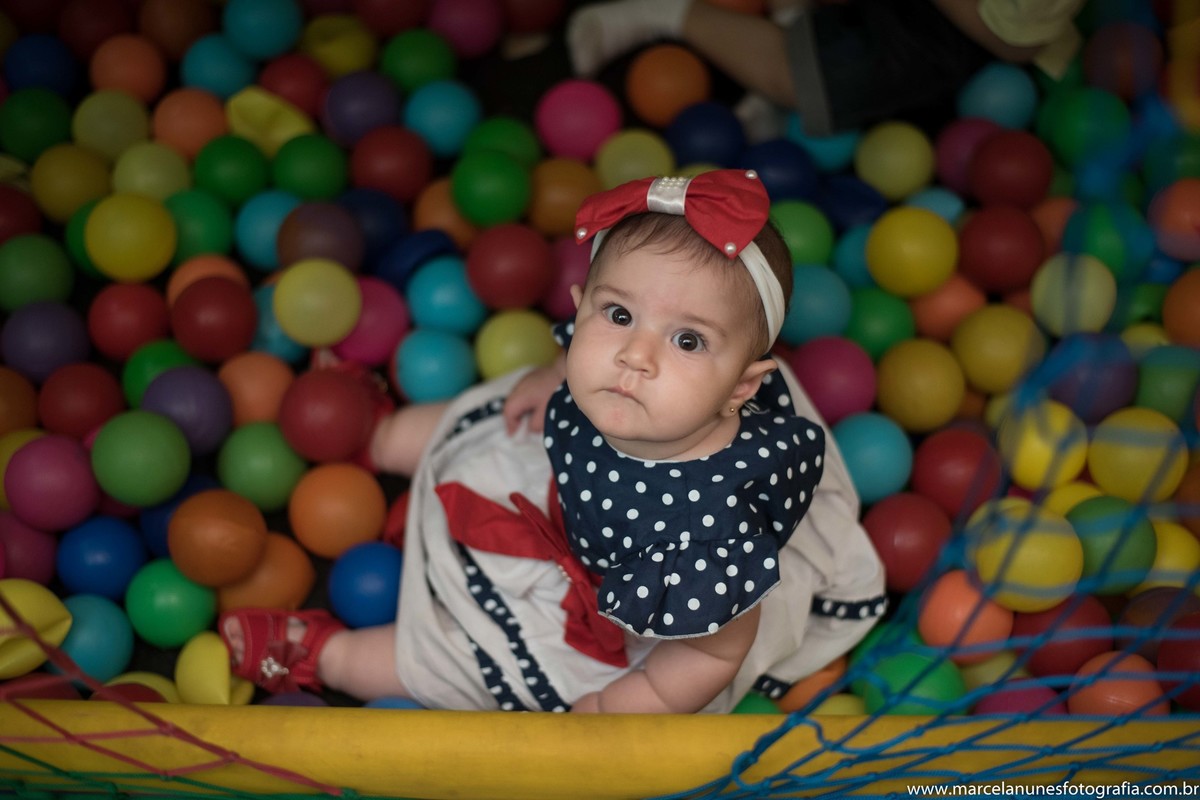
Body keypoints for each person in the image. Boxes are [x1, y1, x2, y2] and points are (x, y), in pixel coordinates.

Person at [219, 168, 886, 714]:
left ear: (742, 389)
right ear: (582, 302)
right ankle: (380, 437)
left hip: (625, 621)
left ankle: (326, 654)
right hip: (576, 486)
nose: (635, 355)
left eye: (688, 341)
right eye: (618, 314)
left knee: (460, 666)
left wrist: (619, 706)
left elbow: (711, 654)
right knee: (499, 414)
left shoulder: (715, 530)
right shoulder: (621, 382)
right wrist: (550, 374)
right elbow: (587, 356)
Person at [565, 0, 1084, 137]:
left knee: (820, 81)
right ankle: (794, 19)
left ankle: (666, 13)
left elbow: (1014, 39)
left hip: (970, 21)